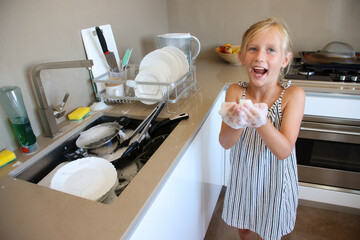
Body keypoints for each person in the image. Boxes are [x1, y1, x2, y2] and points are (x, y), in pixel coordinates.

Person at [219, 17, 305, 240]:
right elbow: (225, 142)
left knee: (269, 230)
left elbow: (284, 150)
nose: (260, 57)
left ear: (285, 59)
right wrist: (237, 121)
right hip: (244, 178)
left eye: (271, 50)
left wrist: (260, 122)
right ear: (241, 56)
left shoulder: (293, 96)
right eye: (253, 49)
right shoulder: (235, 92)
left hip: (274, 183)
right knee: (246, 228)